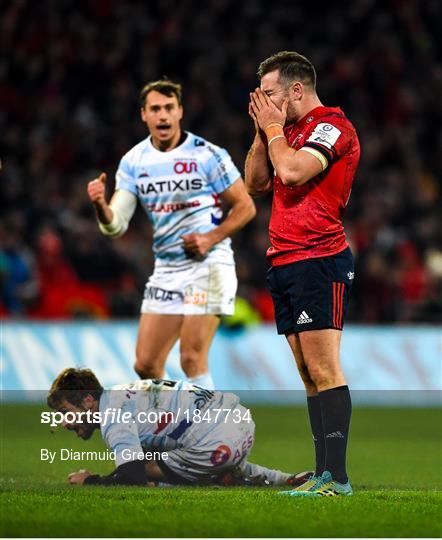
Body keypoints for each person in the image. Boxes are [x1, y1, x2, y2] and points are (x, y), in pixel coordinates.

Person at [87, 79, 256, 390]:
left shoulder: (208, 154)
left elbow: (245, 207)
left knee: (191, 357)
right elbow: (115, 225)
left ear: (180, 112)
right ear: (143, 115)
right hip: (167, 269)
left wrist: (210, 238)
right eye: (155, 109)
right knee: (146, 364)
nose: (162, 116)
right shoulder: (134, 161)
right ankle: (174, 426)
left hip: (209, 263)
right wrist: (100, 205)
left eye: (168, 108)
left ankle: (209, 431)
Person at [245, 51, 360, 497]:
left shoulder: (332, 126)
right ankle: (322, 473)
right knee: (307, 374)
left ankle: (339, 478)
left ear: (296, 89)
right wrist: (263, 130)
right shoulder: (283, 130)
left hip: (319, 257)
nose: (264, 102)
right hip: (284, 259)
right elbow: (256, 182)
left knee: (325, 368)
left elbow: (291, 172)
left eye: (270, 94)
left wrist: (274, 129)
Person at [46, 367, 311, 487]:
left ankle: (217, 476)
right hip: (239, 421)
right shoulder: (124, 393)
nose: (64, 423)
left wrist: (90, 481)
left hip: (216, 443)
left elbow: (132, 477)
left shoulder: (112, 417)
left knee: (148, 472)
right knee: (157, 455)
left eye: (65, 413)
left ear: (88, 400)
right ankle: (282, 478)